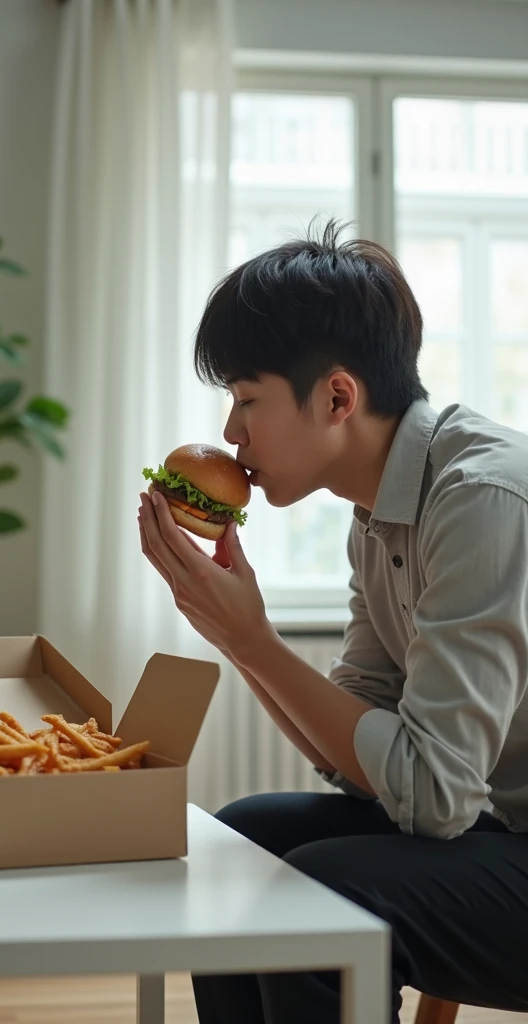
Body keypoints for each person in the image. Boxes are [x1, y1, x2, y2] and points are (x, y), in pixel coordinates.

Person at [136, 220, 528, 1024]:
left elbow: (434, 792)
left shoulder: (480, 498)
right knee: (239, 845)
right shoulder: (374, 514)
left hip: (506, 839)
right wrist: (235, 640)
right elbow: (363, 767)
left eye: (246, 399)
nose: (230, 432)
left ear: (338, 397)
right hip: (492, 829)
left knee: (319, 890)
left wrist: (254, 640)